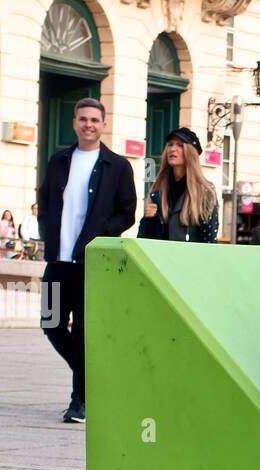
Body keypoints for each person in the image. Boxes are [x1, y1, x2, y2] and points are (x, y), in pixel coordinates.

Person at [37, 97, 137, 424]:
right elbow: (45, 199)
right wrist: (49, 233)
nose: (88, 125)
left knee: (81, 331)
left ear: (103, 124)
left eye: (94, 120)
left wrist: (99, 234)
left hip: (89, 265)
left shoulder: (118, 166)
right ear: (75, 123)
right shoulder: (58, 161)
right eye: (83, 119)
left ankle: (78, 400)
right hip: (57, 262)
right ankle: (89, 377)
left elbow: (127, 212)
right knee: (50, 323)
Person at [138, 128, 219, 243]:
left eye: (180, 145)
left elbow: (210, 240)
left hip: (189, 259)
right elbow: (143, 240)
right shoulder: (158, 190)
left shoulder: (205, 191)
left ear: (190, 152)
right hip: (160, 258)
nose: (173, 149)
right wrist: (148, 220)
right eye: (170, 145)